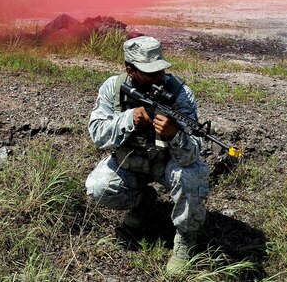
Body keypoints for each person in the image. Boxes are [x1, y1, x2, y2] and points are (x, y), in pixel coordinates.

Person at [85, 36, 208, 275]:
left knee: (191, 175)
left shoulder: (181, 94)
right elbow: (98, 135)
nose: (160, 77)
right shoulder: (113, 88)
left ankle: (185, 238)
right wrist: (128, 120)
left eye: (161, 69)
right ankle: (143, 204)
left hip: (168, 164)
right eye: (151, 72)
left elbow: (193, 151)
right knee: (98, 188)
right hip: (131, 162)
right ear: (130, 70)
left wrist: (175, 135)